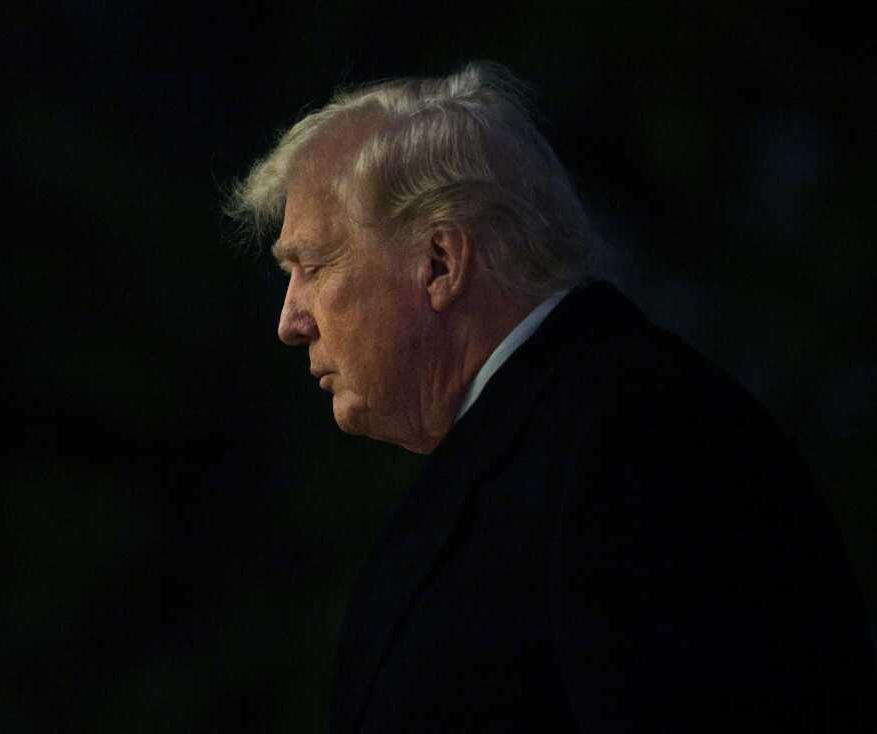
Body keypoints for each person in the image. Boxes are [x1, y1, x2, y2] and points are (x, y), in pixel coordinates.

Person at [227, 62, 876, 733]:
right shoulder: (570, 434)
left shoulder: (641, 441)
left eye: (313, 266)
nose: (289, 321)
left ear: (440, 263)